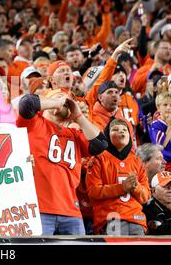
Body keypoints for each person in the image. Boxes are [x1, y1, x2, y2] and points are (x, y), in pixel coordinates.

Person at [16, 89, 108, 235]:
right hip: (38, 209)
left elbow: (101, 144)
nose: (66, 101)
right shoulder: (34, 123)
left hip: (71, 211)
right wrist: (56, 103)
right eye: (60, 97)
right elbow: (27, 103)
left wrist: (79, 116)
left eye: (68, 100)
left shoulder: (74, 134)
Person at [86, 119, 150, 235]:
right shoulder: (98, 159)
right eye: (115, 129)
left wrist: (136, 187)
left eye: (125, 130)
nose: (121, 132)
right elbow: (93, 191)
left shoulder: (137, 162)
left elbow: (145, 197)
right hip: (111, 218)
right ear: (106, 136)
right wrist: (122, 188)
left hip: (137, 219)